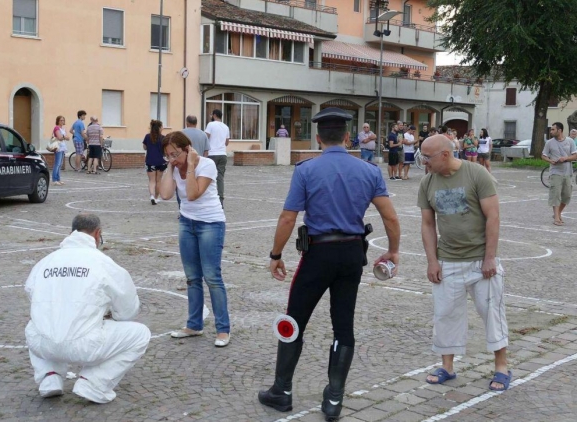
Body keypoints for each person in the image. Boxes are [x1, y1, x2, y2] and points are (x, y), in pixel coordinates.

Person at [257, 108, 401, 420]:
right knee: (343, 324)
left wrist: (276, 254)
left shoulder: (306, 170)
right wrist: (393, 250)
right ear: (349, 137)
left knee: (293, 319)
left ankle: (282, 390)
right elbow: (389, 216)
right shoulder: (370, 171)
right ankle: (334, 398)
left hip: (318, 254)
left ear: (318, 138)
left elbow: (288, 217)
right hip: (351, 254)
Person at [418, 134, 511, 392]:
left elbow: (493, 217)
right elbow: (427, 224)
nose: (423, 161)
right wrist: (432, 261)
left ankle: (502, 366)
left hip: (481, 261)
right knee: (445, 315)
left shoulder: (476, 174)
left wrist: (490, 257)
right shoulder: (427, 183)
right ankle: (447, 366)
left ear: (445, 155)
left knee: (492, 313)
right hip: (448, 261)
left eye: (428, 156)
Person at [25, 213, 150, 401]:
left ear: (71, 232)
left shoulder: (45, 262)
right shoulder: (103, 263)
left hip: (44, 344)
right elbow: (128, 310)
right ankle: (94, 383)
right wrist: (106, 314)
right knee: (140, 334)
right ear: (98, 234)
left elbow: (31, 294)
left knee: (35, 324)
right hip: (85, 344)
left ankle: (49, 378)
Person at [158, 131, 231, 347]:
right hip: (186, 223)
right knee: (192, 277)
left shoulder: (206, 164)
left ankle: (223, 329)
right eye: (168, 155)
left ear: (188, 149)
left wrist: (189, 165)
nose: (172, 158)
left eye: (175, 154)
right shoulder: (173, 166)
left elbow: (192, 194)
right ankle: (194, 324)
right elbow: (165, 194)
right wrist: (170, 167)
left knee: (212, 276)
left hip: (210, 224)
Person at [542, 122, 577, 226]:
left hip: (567, 172)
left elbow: (575, 156)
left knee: (567, 195)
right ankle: (557, 218)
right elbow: (543, 155)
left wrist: (565, 158)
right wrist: (550, 161)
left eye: (553, 129)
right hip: (555, 172)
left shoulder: (570, 141)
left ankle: (558, 213)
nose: (551, 131)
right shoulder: (549, 142)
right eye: (551, 129)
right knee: (556, 194)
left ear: (560, 130)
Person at [204, 109, 230, 207]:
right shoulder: (226, 127)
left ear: (214, 115)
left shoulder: (211, 125)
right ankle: (220, 199)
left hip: (212, 153)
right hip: (222, 154)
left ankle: (209, 198)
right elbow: (227, 142)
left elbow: (205, 137)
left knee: (208, 176)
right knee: (220, 177)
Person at [143, 119, 167, 205]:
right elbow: (165, 150)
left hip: (150, 160)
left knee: (152, 181)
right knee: (158, 180)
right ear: (160, 128)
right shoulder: (163, 138)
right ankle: (156, 198)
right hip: (161, 161)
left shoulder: (147, 136)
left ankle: (152, 196)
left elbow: (144, 147)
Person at [50, 116, 68, 186]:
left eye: (63, 120)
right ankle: (54, 179)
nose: (62, 122)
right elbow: (60, 137)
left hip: (63, 147)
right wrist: (64, 137)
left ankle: (58, 179)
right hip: (58, 147)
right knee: (57, 164)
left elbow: (68, 137)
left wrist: (63, 136)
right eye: (61, 120)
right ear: (58, 121)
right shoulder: (56, 128)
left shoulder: (63, 128)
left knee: (60, 164)